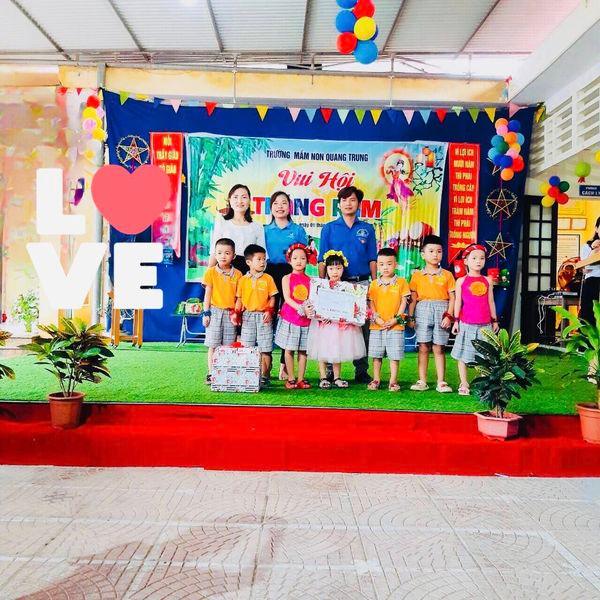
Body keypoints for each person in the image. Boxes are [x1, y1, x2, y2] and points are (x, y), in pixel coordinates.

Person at [318, 186, 377, 383]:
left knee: (362, 327)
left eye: (352, 200)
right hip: (337, 285)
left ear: (359, 203)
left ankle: (361, 370)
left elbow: (372, 258)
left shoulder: (367, 229)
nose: (348, 203)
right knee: (333, 328)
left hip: (361, 284)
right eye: (344, 200)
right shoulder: (329, 228)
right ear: (339, 204)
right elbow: (321, 260)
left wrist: (374, 284)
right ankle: (329, 371)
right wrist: (324, 285)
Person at [264, 190, 308, 380]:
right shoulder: (264, 230)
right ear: (271, 207)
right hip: (269, 273)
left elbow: (304, 256)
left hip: (291, 275)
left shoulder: (297, 230)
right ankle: (266, 364)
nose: (280, 206)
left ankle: (284, 364)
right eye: (275, 203)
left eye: (283, 203)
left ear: (290, 207)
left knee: (289, 318)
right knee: (269, 316)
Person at [308, 250, 366, 389]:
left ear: (343, 269)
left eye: (338, 268)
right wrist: (320, 315)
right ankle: (323, 377)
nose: (335, 272)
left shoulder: (348, 288)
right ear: (326, 269)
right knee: (322, 349)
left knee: (337, 349)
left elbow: (352, 307)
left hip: (339, 326)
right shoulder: (320, 286)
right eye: (331, 268)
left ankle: (337, 377)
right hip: (324, 325)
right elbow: (315, 304)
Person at [408, 234, 456, 393]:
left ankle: (441, 382)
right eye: (431, 251)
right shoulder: (416, 275)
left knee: (439, 347)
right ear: (423, 254)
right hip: (422, 309)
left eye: (439, 251)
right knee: (423, 346)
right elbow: (413, 299)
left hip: (442, 309)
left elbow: (453, 297)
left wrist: (449, 315)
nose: (435, 254)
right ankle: (422, 381)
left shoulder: (447, 275)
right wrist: (411, 316)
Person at [451, 244, 499, 396]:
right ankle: (464, 382)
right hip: (466, 323)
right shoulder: (461, 281)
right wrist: (456, 321)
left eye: (482, 258)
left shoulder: (488, 280)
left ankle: (483, 382)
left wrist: (494, 320)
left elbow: (491, 301)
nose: (478, 261)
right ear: (465, 261)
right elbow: (458, 302)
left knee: (486, 355)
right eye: (474, 258)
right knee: (463, 354)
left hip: (485, 325)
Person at [367, 248, 411, 392]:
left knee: (394, 355)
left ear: (396, 264)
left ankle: (393, 381)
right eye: (381, 264)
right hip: (376, 325)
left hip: (395, 326)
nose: (385, 267)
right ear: (377, 265)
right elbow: (371, 303)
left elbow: (404, 303)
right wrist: (377, 318)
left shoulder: (402, 282)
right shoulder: (374, 284)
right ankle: (376, 379)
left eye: (389, 264)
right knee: (376, 355)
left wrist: (396, 319)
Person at [235, 244, 278, 387]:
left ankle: (265, 376)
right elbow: (239, 299)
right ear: (248, 262)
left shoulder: (268, 279)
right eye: (259, 259)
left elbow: (272, 297)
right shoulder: (242, 280)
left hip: (264, 317)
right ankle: (248, 374)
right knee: (247, 347)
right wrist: (236, 314)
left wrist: (269, 311)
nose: (262, 262)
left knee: (266, 348)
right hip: (247, 317)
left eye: (264, 259)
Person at [202, 238, 242, 384]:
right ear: (215, 254)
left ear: (234, 255)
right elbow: (207, 294)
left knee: (228, 346)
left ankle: (226, 373)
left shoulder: (238, 274)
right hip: (214, 312)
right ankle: (211, 373)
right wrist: (206, 313)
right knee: (213, 344)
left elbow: (239, 297)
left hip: (230, 314)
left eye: (227, 253)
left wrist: (237, 314)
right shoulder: (210, 272)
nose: (223, 256)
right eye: (219, 253)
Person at [274, 243, 313, 390]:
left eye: (302, 258)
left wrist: (308, 310)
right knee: (289, 349)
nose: (299, 261)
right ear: (289, 260)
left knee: (303, 350)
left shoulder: (311, 280)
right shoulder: (286, 278)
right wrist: (301, 308)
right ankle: (291, 378)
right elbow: (287, 298)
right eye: (295, 258)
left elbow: (312, 299)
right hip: (290, 319)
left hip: (305, 321)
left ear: (307, 261)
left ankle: (301, 379)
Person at [209, 184, 266, 274]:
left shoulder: (257, 226)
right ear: (229, 200)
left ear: (249, 201)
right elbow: (214, 250)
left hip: (249, 272)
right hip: (225, 271)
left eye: (244, 197)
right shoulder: (222, 222)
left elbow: (262, 255)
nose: (239, 201)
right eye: (235, 197)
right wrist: (209, 273)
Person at [580, 216, 600, 325]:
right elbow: (586, 267)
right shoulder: (587, 247)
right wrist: (593, 249)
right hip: (592, 282)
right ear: (596, 228)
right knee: (589, 314)